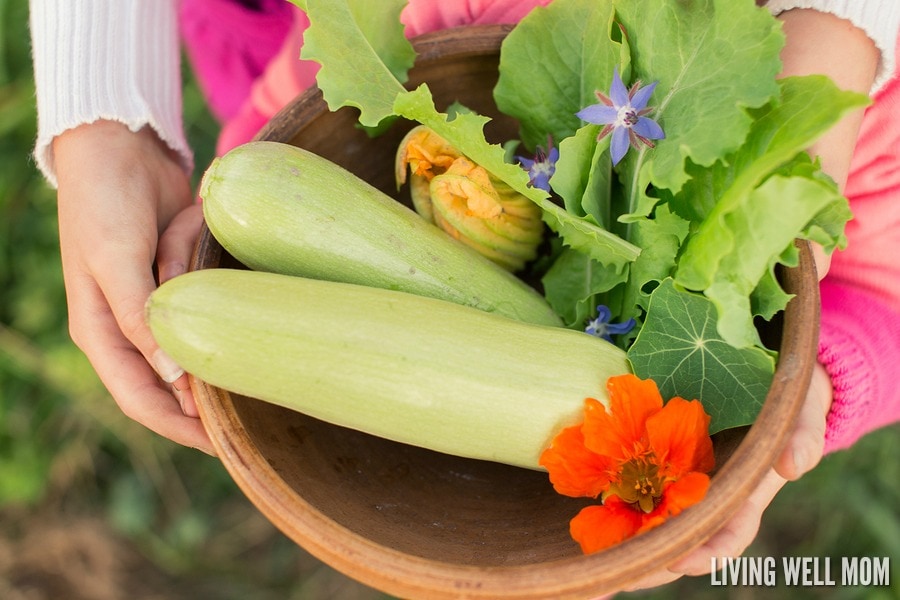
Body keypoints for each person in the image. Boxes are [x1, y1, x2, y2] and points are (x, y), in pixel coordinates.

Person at [28, 0, 900, 590]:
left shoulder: (866, 161)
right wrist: (104, 119)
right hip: (312, 43)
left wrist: (818, 365)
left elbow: (881, 304)